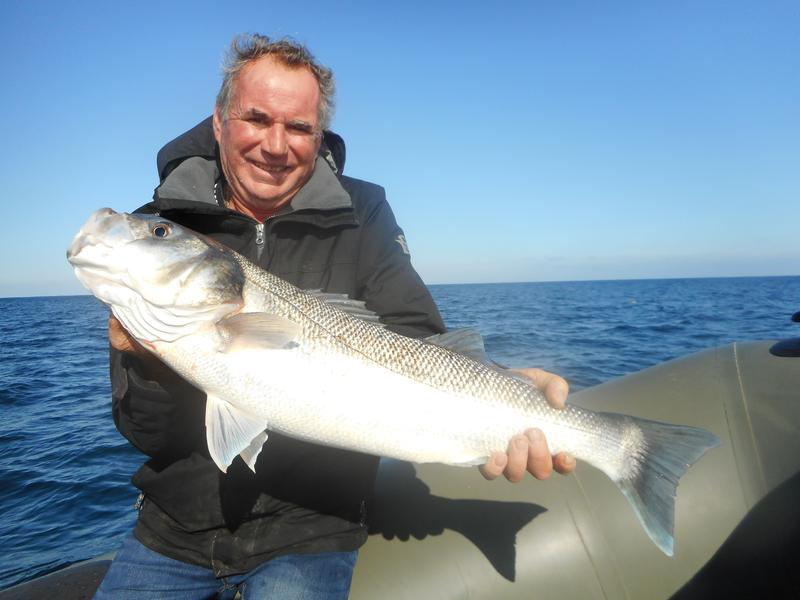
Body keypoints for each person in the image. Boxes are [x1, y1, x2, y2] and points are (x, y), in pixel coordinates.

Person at [95, 34, 575, 599]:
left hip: (314, 527)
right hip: (173, 529)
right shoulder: (163, 227)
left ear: (318, 135)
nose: (276, 145)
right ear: (220, 123)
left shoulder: (361, 212)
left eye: (298, 127)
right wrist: (150, 363)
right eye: (256, 119)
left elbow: (417, 337)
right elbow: (142, 432)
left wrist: (500, 391)